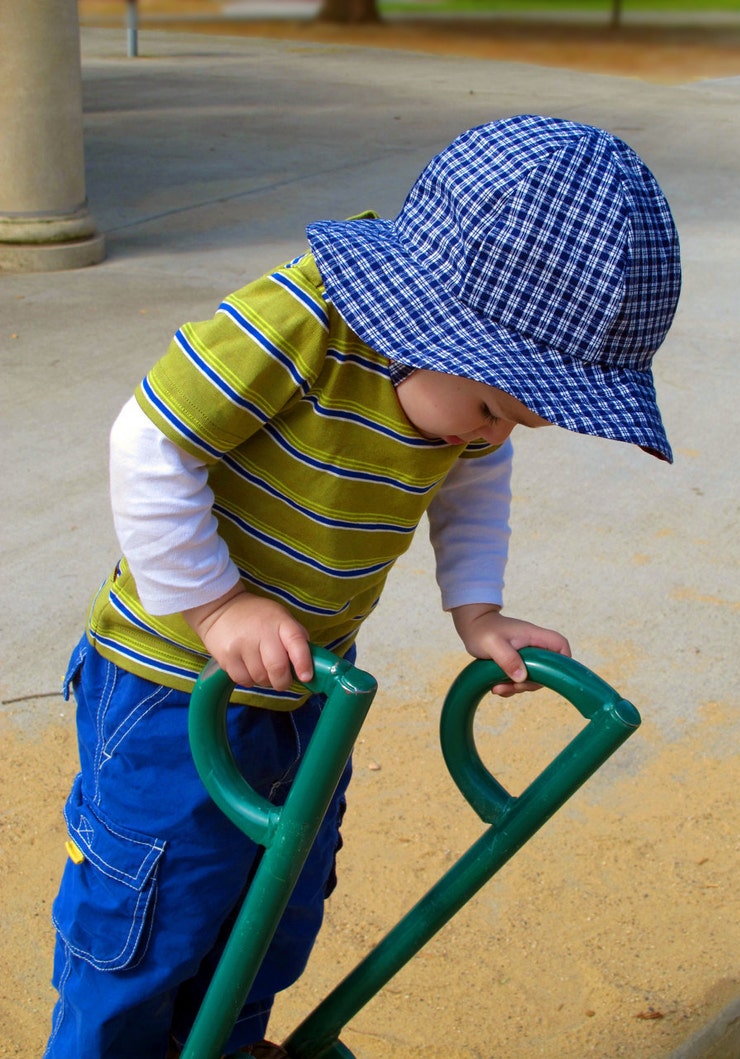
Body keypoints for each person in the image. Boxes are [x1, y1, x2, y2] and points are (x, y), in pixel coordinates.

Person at [45, 114, 681, 1058]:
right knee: (152, 914)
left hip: (306, 690)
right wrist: (218, 604)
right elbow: (149, 437)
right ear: (424, 319)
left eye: (520, 420)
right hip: (171, 686)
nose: (492, 436)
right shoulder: (292, 324)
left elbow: (471, 475)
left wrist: (478, 608)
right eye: (493, 407)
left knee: (275, 903)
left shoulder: (463, 414)